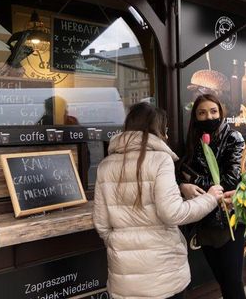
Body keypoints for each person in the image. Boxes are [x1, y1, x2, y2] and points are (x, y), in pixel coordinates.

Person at [93, 102, 226, 299]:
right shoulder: (160, 160)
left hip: (124, 276)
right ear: (158, 129)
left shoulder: (105, 166)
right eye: (165, 128)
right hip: (164, 274)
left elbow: (102, 225)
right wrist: (210, 198)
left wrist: (122, 245)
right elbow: (172, 213)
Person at [177, 94, 246, 299]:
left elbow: (229, 181)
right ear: (195, 117)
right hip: (204, 221)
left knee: (233, 283)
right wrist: (183, 186)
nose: (209, 116)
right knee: (222, 281)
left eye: (213, 111)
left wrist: (194, 181)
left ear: (221, 112)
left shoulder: (233, 138)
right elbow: (180, 172)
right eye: (202, 113)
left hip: (229, 221)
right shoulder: (192, 141)